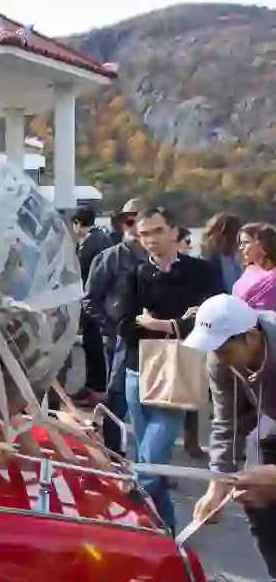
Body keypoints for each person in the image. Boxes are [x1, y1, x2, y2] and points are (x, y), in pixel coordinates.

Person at [116, 206, 222, 530]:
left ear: (175, 232)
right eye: (144, 234)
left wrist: (162, 324)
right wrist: (181, 322)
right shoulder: (134, 275)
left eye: (157, 231)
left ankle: (130, 507)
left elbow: (212, 318)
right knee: (154, 458)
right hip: (138, 368)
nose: (150, 240)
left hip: (181, 369)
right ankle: (166, 529)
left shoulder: (200, 272)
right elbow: (124, 325)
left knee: (151, 453)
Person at [183, 295, 276, 582]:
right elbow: (226, 422)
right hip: (267, 422)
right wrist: (218, 483)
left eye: (223, 349)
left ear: (250, 337)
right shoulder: (220, 359)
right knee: (252, 492)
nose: (217, 357)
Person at [81, 197, 149, 455]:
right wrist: (111, 329)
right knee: (116, 399)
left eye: (138, 221)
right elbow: (89, 299)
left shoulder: (155, 260)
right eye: (128, 221)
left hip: (153, 342)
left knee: (149, 402)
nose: (133, 227)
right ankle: (112, 454)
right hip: (119, 342)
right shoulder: (109, 258)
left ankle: (148, 463)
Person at [71, 207, 112, 404]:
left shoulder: (90, 244)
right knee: (92, 344)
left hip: (93, 301)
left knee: (93, 345)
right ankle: (93, 385)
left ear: (78, 223)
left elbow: (78, 270)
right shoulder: (103, 239)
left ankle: (96, 388)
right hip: (101, 300)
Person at [234, 223, 276, 311]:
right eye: (241, 243)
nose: (241, 248)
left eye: (246, 242)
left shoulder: (273, 279)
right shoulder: (248, 271)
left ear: (263, 245)